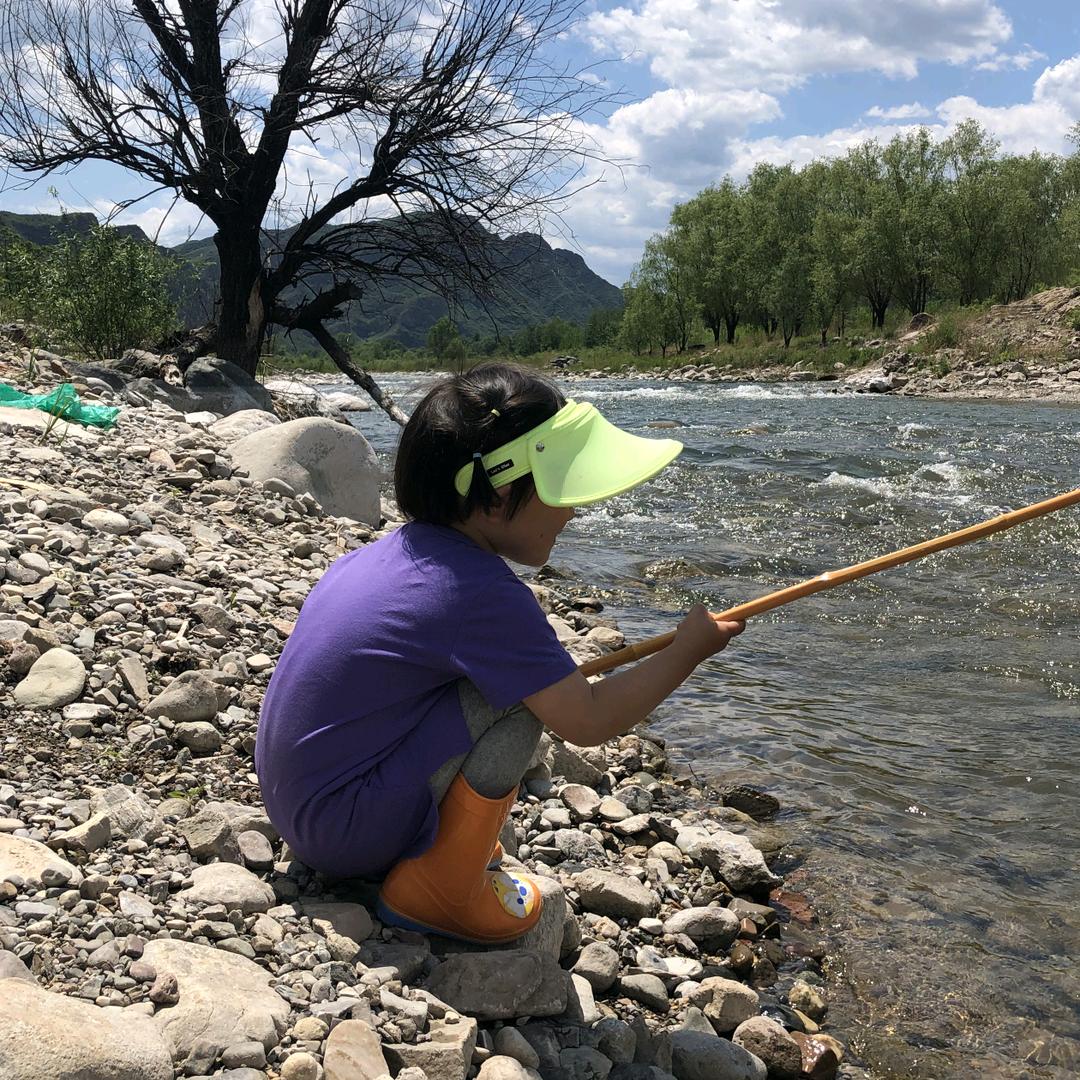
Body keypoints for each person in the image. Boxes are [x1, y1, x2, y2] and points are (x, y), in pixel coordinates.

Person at [255, 362, 744, 945]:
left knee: (518, 680)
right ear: (499, 496)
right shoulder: (481, 594)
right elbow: (586, 720)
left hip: (301, 811)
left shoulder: (394, 555)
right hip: (344, 833)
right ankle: (439, 889)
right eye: (562, 493)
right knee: (518, 698)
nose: (573, 512)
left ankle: (431, 850)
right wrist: (687, 652)